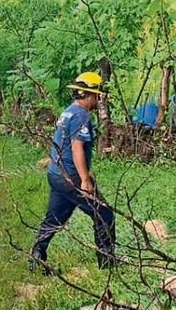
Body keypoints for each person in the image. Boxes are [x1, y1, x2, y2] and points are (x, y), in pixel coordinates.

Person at [30, 72, 116, 273]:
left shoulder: (68, 112)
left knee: (54, 218)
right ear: (90, 94)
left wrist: (51, 160)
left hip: (57, 174)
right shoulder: (81, 116)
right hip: (71, 177)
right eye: (97, 94)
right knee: (104, 214)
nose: (99, 99)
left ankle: (36, 255)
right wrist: (85, 180)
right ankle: (107, 265)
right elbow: (77, 148)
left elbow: (61, 142)